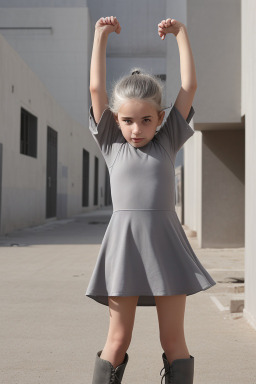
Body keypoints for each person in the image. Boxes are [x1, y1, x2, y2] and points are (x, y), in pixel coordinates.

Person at [85, 15, 216, 384]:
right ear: (115, 119)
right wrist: (100, 37)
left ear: (160, 118)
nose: (136, 128)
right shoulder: (111, 142)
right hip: (123, 248)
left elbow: (189, 85)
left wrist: (181, 34)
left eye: (145, 120)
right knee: (117, 338)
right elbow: (97, 89)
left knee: (173, 339)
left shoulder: (169, 139)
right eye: (128, 120)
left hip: (165, 247)